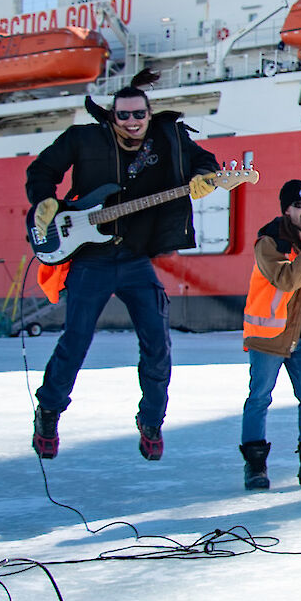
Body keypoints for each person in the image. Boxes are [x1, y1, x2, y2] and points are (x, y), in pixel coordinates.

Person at [24, 75, 219, 461]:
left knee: (158, 342)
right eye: (124, 114)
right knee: (75, 340)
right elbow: (41, 170)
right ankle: (48, 411)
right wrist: (44, 200)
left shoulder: (169, 138)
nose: (132, 121)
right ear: (111, 116)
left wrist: (204, 177)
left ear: (150, 114)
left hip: (134, 259)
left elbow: (204, 161)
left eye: (139, 114)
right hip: (90, 259)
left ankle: (151, 420)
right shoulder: (83, 138)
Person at [238, 179, 301, 490]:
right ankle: (255, 467)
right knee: (259, 399)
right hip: (270, 337)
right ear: (286, 210)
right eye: (299, 206)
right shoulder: (269, 242)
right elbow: (287, 279)